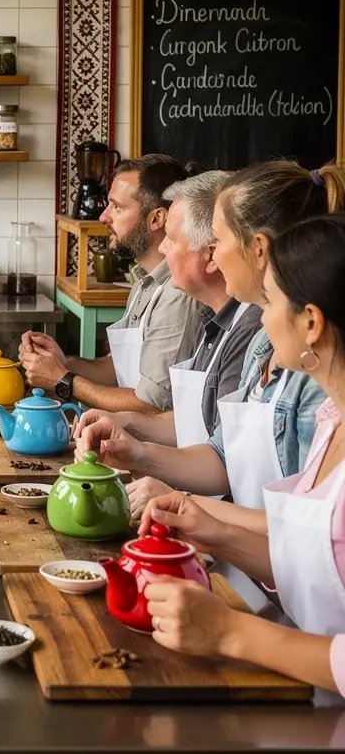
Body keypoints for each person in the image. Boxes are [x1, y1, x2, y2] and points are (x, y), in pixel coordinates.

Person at [139, 213, 345, 701]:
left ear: (311, 322)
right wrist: (212, 531)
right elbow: (313, 567)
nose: (262, 317)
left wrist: (230, 632)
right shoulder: (331, 420)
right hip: (300, 691)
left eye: (270, 301)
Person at [76, 161, 342, 507]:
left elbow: (310, 529)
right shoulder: (263, 343)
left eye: (219, 239)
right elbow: (223, 453)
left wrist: (190, 506)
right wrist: (136, 452)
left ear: (258, 248)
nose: (213, 252)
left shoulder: (314, 379)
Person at [75, 172, 262, 518]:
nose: (162, 248)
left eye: (172, 240)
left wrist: (180, 500)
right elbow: (206, 429)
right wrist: (127, 426)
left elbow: (226, 462)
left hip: (231, 543)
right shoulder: (214, 320)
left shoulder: (252, 330)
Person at [20, 154, 199, 413]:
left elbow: (150, 406)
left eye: (117, 207)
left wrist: (62, 380)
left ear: (156, 219)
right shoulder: (143, 282)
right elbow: (118, 369)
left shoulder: (177, 294)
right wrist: (63, 362)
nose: (103, 217)